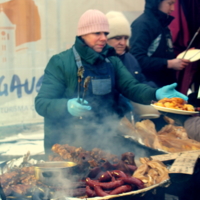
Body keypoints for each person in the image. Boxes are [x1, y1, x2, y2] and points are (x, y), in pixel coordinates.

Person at [35, 9, 188, 155]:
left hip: (103, 141)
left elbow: (131, 87)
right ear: (83, 34)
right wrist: (66, 106)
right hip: (65, 143)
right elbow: (42, 103)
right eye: (97, 33)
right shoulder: (60, 62)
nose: (103, 38)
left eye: (105, 33)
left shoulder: (111, 61)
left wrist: (155, 93)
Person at [129, 0, 190, 87]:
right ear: (156, 2)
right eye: (170, 3)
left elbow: (162, 54)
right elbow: (137, 59)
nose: (173, 8)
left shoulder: (163, 23)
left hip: (166, 85)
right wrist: (169, 63)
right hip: (150, 87)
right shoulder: (142, 25)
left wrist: (180, 58)